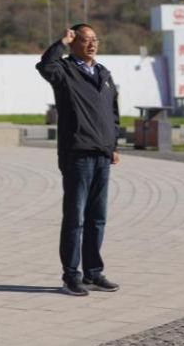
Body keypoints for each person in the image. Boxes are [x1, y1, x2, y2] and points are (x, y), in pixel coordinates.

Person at [36, 25, 121, 297]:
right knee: (75, 218)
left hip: (102, 155)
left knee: (97, 218)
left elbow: (113, 113)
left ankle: (93, 273)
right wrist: (61, 42)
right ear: (73, 42)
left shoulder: (103, 73)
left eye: (95, 40)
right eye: (85, 40)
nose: (92, 44)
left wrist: (113, 146)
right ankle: (71, 276)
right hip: (78, 154)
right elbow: (44, 65)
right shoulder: (64, 70)